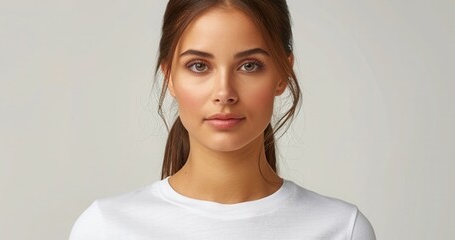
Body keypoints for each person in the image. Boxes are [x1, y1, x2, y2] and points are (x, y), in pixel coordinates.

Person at [69, 0, 376, 239]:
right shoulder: (105, 228)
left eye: (249, 66)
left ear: (283, 73)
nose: (224, 93)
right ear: (170, 76)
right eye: (199, 66)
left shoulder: (342, 230)